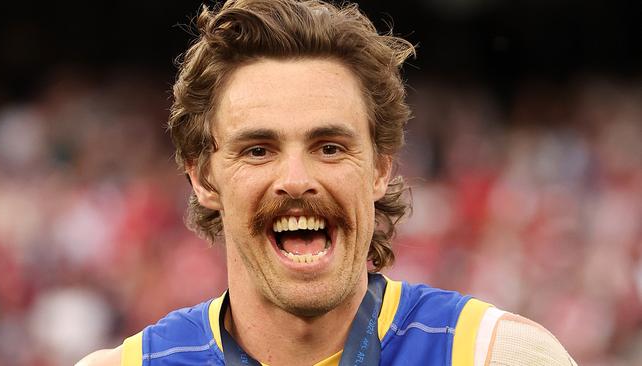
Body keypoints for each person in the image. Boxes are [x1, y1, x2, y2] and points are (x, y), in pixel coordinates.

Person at [78, 0, 577, 365]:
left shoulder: (495, 355)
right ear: (203, 178)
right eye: (258, 150)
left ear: (381, 168)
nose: (296, 181)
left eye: (330, 147)